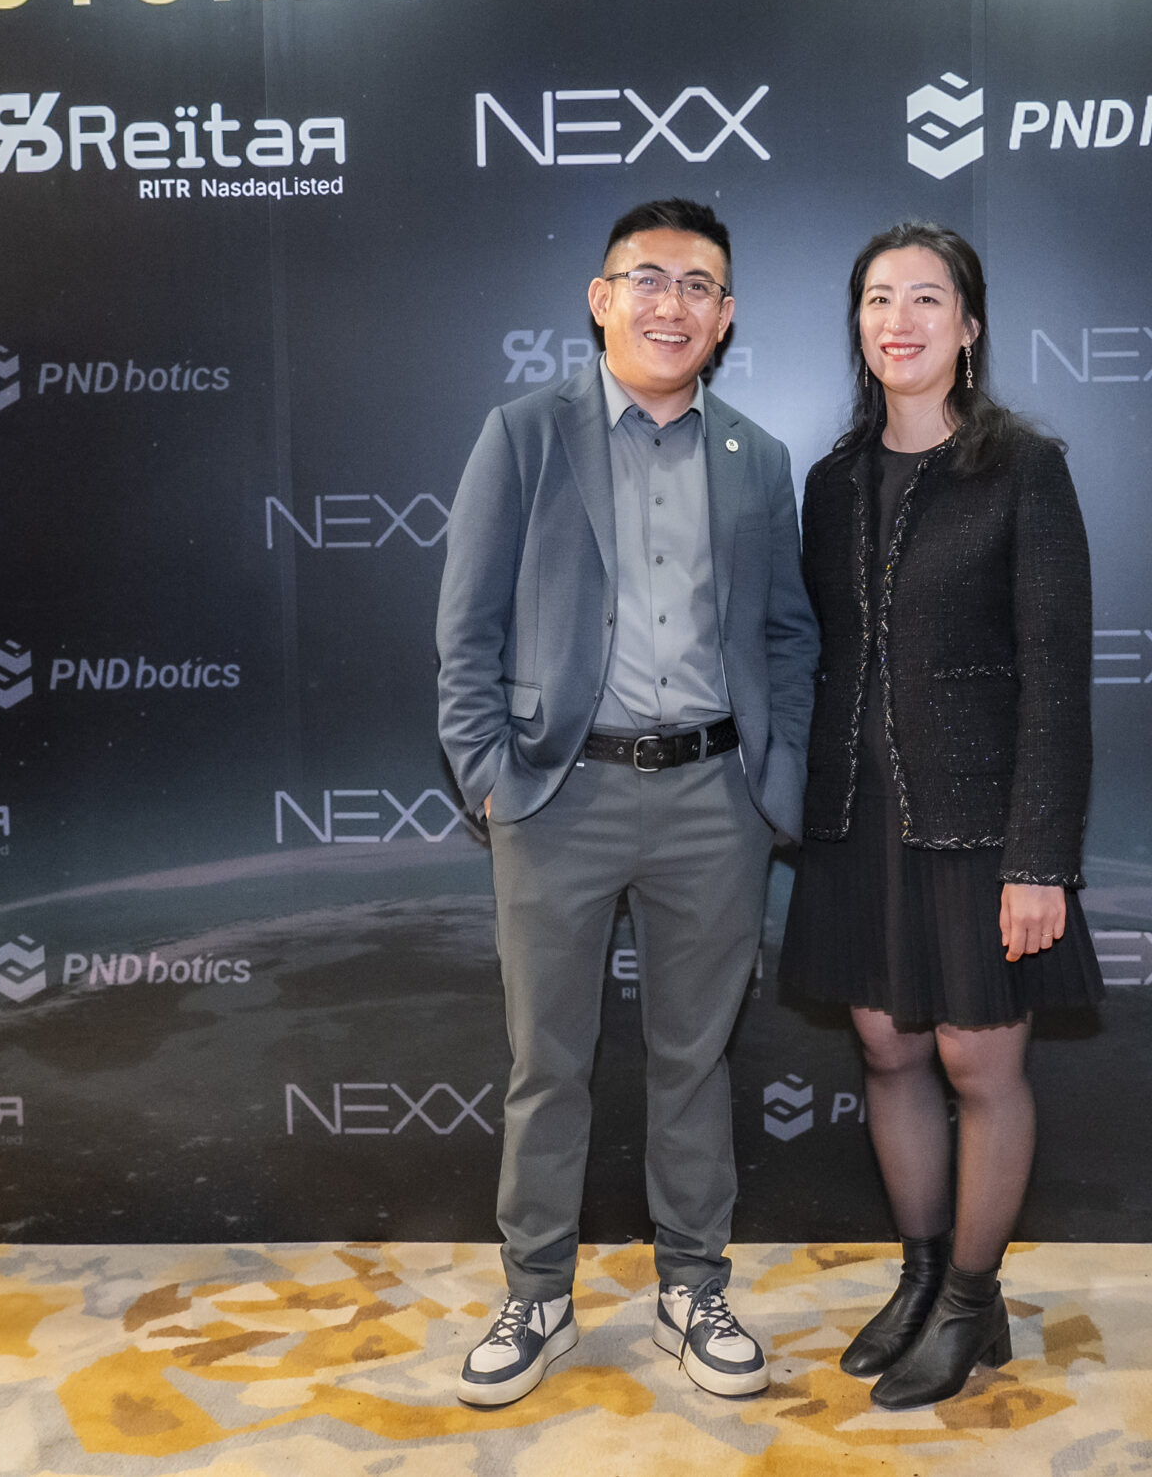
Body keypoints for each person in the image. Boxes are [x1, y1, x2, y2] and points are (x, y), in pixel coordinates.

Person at [435, 198, 819, 1406]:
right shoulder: (523, 434)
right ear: (601, 299)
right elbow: (466, 628)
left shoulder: (758, 456)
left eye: (698, 284)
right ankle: (537, 1295)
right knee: (546, 1062)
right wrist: (489, 773)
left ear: (727, 315)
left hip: (714, 798)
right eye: (647, 277)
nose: (671, 302)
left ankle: (693, 1287)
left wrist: (773, 782)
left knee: (693, 1060)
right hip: (558, 795)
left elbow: (788, 635)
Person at [777, 219, 1100, 1411]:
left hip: (981, 823)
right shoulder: (830, 484)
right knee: (887, 1046)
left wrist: (1039, 857)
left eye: (925, 297)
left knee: (978, 1059)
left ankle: (971, 1299)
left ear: (968, 325)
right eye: (877, 298)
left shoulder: (1023, 468)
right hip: (855, 819)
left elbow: (1056, 674)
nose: (898, 319)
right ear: (857, 326)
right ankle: (920, 1278)